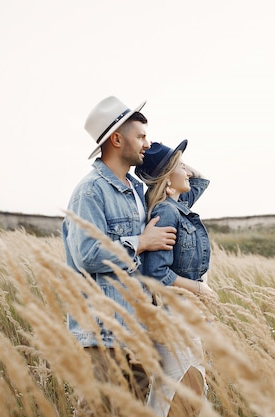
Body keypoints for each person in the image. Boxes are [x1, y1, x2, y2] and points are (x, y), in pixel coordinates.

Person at [61, 96, 177, 412]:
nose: (147, 143)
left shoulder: (137, 191)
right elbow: (87, 254)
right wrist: (140, 241)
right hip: (105, 335)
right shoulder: (90, 191)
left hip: (138, 332)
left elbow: (193, 183)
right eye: (140, 136)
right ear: (116, 139)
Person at [135, 140, 217, 416]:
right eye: (181, 166)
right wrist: (198, 288)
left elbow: (201, 179)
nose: (188, 172)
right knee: (176, 395)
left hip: (187, 314)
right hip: (175, 317)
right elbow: (155, 273)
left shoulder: (177, 205)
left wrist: (175, 163)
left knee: (191, 390)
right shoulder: (166, 212)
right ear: (169, 177)